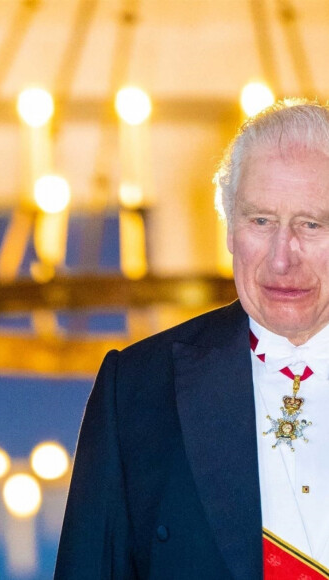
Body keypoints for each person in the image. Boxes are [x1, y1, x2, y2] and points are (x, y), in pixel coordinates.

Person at [55, 98, 329, 579]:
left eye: (311, 224)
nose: (282, 258)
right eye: (260, 221)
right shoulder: (137, 387)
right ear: (229, 228)